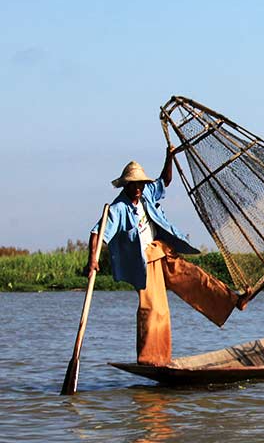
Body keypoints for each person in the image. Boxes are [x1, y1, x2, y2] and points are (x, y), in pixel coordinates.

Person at [87, 147, 248, 366]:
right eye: (134, 185)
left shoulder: (146, 194)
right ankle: (151, 359)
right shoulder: (118, 209)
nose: (138, 189)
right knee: (155, 309)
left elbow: (165, 180)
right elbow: (97, 233)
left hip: (161, 250)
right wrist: (93, 260)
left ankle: (233, 301)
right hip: (143, 263)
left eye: (140, 184)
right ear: (127, 185)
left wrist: (169, 157)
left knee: (193, 277)